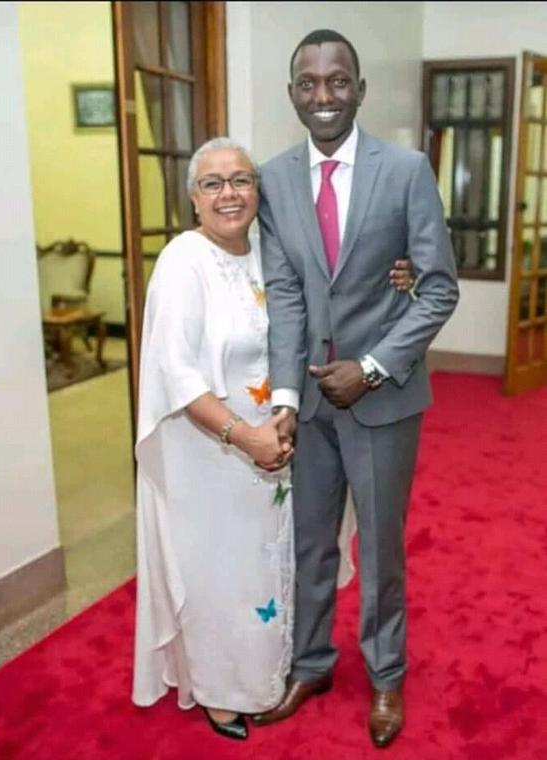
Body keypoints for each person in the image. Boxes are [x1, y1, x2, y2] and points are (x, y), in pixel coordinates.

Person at [131, 137, 416, 741]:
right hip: (213, 449)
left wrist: (403, 275)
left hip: (279, 443)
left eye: (241, 180)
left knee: (267, 567)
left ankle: (271, 668)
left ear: (259, 192)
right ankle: (215, 687)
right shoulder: (184, 262)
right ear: (192, 198)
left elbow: (330, 297)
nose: (229, 193)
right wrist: (242, 436)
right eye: (213, 183)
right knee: (216, 568)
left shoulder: (267, 251)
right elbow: (174, 373)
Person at [252, 29, 459, 749]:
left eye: (337, 81)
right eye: (308, 84)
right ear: (292, 96)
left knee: (377, 547)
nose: (323, 96)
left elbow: (436, 289)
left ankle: (385, 675)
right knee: (309, 545)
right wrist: (283, 397)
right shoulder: (273, 179)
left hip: (382, 401)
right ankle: (309, 663)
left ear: (360, 90)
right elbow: (284, 295)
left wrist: (369, 368)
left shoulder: (404, 170)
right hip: (307, 403)